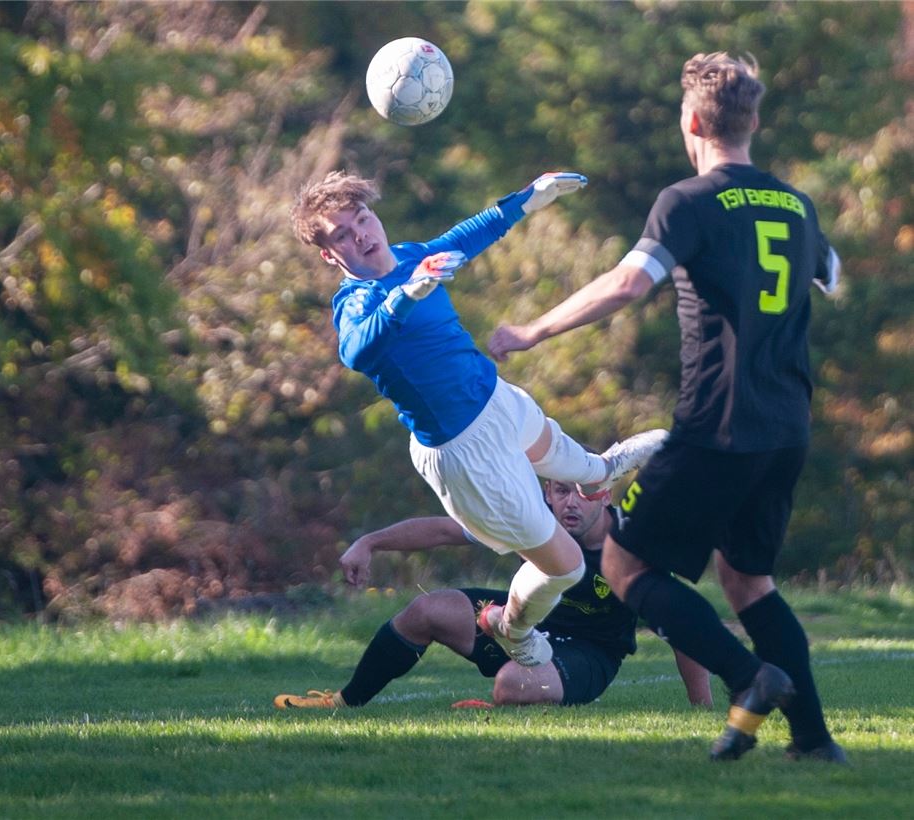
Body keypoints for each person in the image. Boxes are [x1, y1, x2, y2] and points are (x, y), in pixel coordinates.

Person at [487, 53, 844, 763]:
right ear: (753, 122)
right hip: (786, 426)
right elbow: (830, 276)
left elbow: (627, 284)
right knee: (748, 581)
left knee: (624, 564)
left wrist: (532, 331)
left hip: (718, 424)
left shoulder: (688, 201)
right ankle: (813, 742)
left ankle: (748, 677)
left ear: (693, 124)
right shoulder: (796, 205)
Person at [290, 170, 667, 670]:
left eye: (362, 218)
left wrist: (527, 200)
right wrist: (407, 295)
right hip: (464, 451)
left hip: (497, 401)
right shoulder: (355, 301)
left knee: (584, 469)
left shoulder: (409, 256)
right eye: (341, 234)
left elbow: (465, 237)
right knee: (568, 568)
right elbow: (357, 351)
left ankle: (603, 469)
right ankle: (512, 628)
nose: (360, 234)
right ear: (328, 254)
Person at [274, 480, 712, 710]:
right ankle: (343, 702)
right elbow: (445, 530)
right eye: (561, 491)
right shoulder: (533, 520)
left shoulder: (636, 544)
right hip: (518, 624)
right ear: (547, 493)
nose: (571, 503)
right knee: (426, 609)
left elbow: (678, 626)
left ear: (604, 493)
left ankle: (522, 693)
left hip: (589, 653)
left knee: (510, 685)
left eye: (582, 491)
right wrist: (369, 542)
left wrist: (701, 708)